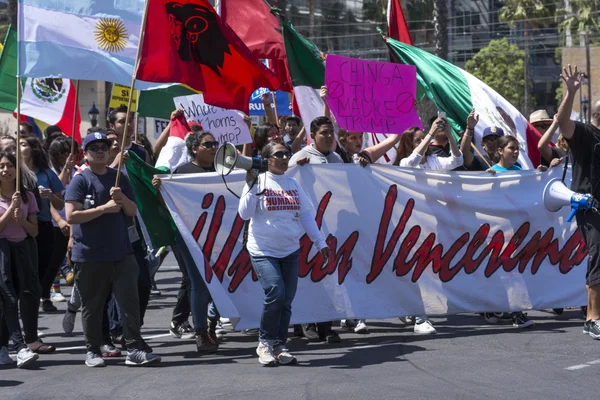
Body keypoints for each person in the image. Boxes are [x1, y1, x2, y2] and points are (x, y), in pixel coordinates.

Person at [65, 131, 160, 367]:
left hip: (121, 252)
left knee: (129, 302)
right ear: (85, 153)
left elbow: (131, 211)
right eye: (94, 147)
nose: (100, 151)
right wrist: (104, 208)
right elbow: (72, 216)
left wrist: (122, 199)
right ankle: (92, 350)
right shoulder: (80, 179)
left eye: (104, 147)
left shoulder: (118, 178)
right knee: (93, 305)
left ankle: (134, 348)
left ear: (110, 151)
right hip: (90, 254)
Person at [238, 141, 331, 366]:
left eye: (286, 154)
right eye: (278, 154)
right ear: (267, 159)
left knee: (286, 301)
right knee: (275, 293)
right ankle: (265, 343)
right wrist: (251, 187)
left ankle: (279, 345)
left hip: (290, 250)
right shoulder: (258, 180)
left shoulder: (292, 183)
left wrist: (320, 243)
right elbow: (244, 214)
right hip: (263, 250)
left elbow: (306, 216)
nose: (283, 157)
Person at [152, 131, 221, 352]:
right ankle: (200, 332)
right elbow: (168, 205)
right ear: (194, 149)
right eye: (207, 144)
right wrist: (159, 190)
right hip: (189, 238)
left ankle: (211, 324)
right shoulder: (182, 173)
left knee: (222, 284)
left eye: (214, 144)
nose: (213, 147)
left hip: (218, 237)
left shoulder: (223, 171)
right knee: (199, 284)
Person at [556, 65, 600, 339]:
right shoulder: (584, 133)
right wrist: (571, 92)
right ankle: (593, 318)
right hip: (590, 207)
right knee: (599, 255)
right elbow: (562, 122)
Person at [0, 151, 47, 368]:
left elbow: (34, 231)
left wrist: (21, 220)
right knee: (8, 297)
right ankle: (20, 348)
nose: (5, 170)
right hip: (2, 250)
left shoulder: (27, 195)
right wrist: (10, 209)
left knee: (17, 297)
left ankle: (2, 347)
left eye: (9, 165)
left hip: (21, 249)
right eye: (1, 166)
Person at [20, 137, 65, 313]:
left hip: (44, 226)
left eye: (23, 144)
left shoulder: (47, 174)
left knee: (44, 268)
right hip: (20, 228)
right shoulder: (14, 172)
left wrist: (50, 197)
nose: (19, 147)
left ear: (33, 149)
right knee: (24, 272)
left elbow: (60, 204)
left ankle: (42, 296)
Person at [395, 118, 463, 171]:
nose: (423, 141)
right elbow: (413, 160)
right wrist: (431, 133)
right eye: (418, 140)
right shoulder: (404, 163)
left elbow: (457, 161)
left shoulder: (433, 160)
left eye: (423, 138)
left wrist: (449, 135)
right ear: (408, 145)